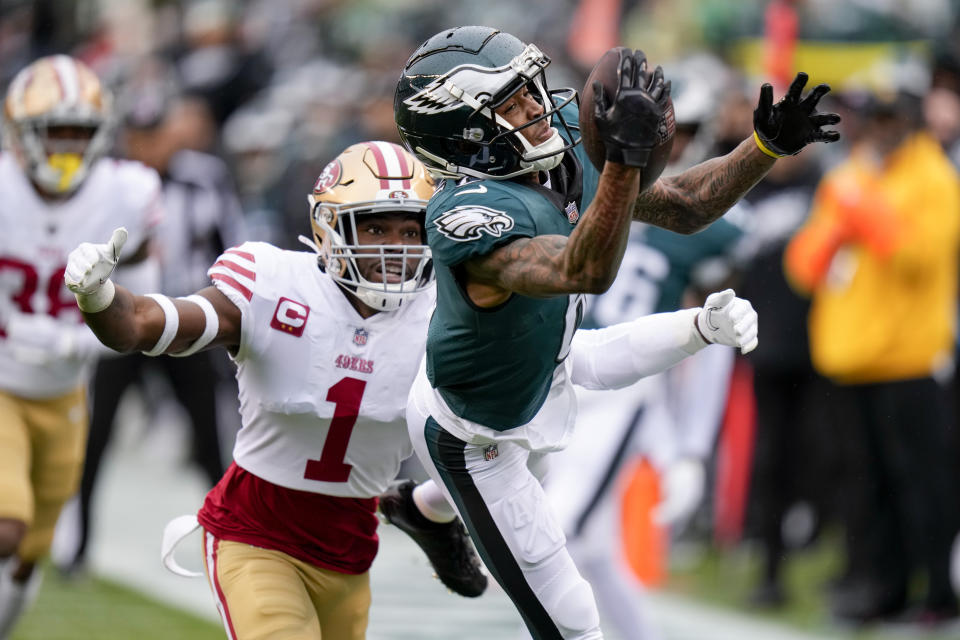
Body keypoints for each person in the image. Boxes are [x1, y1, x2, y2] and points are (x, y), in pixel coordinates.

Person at [393, 25, 839, 639]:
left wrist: (762, 147)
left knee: (574, 419)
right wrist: (624, 164)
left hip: (546, 365)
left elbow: (682, 205)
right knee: (570, 614)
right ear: (463, 134)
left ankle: (422, 509)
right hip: (474, 431)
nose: (537, 108)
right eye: (511, 102)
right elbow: (582, 269)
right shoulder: (464, 214)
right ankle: (432, 507)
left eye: (530, 89)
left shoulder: (550, 156)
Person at [64, 141, 491, 639]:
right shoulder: (276, 285)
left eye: (409, 229)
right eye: (375, 227)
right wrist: (99, 296)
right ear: (331, 228)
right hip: (256, 532)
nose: (394, 246)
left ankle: (424, 508)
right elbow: (143, 324)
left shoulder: (444, 313)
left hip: (351, 547)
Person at [0, 54, 162, 639]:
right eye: (54, 131)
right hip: (1, 383)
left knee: (30, 551)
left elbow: (146, 290)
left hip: (66, 392)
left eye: (79, 131)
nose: (67, 145)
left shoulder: (126, 193)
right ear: (20, 133)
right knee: (6, 528)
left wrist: (89, 331)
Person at [58, 80, 249, 576]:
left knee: (209, 439)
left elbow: (235, 247)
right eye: (139, 135)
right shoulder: (111, 183)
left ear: (172, 131)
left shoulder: (204, 177)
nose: (148, 145)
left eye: (155, 133)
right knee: (95, 437)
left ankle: (239, 540)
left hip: (185, 320)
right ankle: (76, 548)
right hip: (122, 321)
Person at [785, 85, 960, 624]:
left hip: (909, 359)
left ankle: (935, 594)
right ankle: (879, 591)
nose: (881, 128)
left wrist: (864, 214)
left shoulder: (934, 179)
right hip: (849, 358)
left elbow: (921, 257)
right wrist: (844, 222)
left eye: (891, 118)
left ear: (912, 122)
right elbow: (803, 268)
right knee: (864, 489)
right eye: (873, 117)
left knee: (922, 484)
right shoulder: (848, 178)